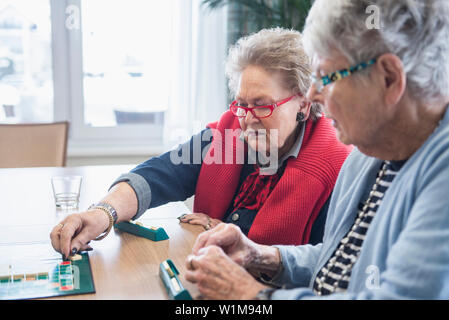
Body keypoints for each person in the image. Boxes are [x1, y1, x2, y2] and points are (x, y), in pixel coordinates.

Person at [184, 0, 449, 299]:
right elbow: (342, 260)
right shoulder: (368, 151)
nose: (312, 94)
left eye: (326, 76)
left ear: (388, 78)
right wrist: (263, 256)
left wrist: (251, 295)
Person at [50, 28, 351, 259]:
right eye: (241, 103)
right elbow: (159, 174)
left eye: (262, 105)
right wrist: (103, 213)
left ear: (303, 101)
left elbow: (319, 265)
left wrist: (229, 233)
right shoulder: (228, 133)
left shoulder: (338, 169)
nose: (247, 119)